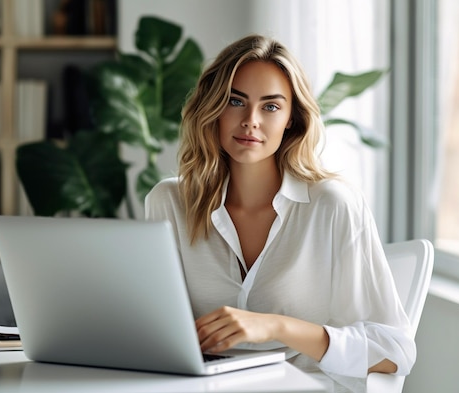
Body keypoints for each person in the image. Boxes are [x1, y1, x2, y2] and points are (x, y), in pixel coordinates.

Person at [145, 34, 415, 392]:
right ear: (213, 108)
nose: (250, 120)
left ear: (292, 118)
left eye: (270, 106)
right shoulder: (169, 201)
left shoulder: (332, 205)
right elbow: (150, 325)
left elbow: (395, 352)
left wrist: (275, 326)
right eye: (235, 101)